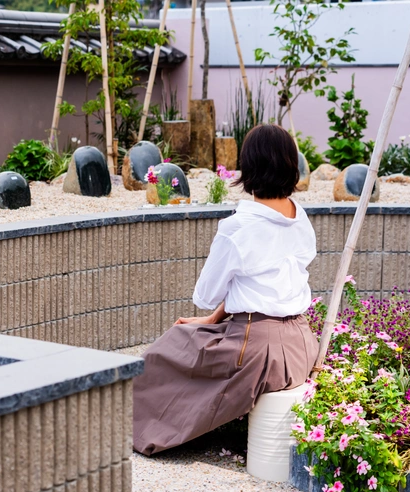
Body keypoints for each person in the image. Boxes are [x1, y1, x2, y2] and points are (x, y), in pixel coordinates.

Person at [133, 124, 319, 456]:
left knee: (167, 350)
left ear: (249, 167)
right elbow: (264, 287)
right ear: (291, 165)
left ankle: (144, 429)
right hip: (302, 343)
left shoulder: (238, 228)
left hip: (258, 350)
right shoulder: (299, 217)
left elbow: (205, 293)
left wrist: (207, 314)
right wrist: (211, 319)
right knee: (197, 334)